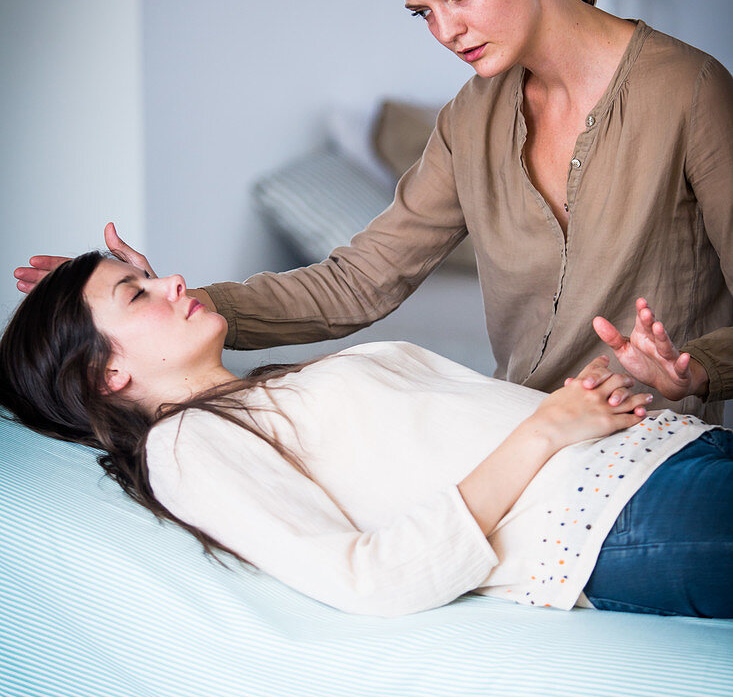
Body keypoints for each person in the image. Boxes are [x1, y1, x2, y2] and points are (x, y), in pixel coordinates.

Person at [15, 0, 733, 421]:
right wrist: (166, 309)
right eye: (421, 13)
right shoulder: (468, 120)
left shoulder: (687, 91)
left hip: (661, 445)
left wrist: (694, 368)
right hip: (522, 438)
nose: (445, 33)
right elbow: (359, 281)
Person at [2, 251, 731, 619]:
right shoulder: (183, 447)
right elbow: (368, 577)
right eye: (138, 292)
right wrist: (542, 433)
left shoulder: (261, 392)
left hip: (664, 456)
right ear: (105, 375)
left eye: (150, 273)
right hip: (621, 517)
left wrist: (639, 390)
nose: (173, 282)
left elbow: (453, 440)